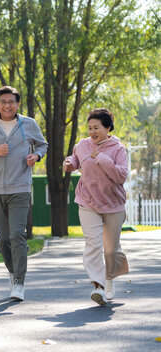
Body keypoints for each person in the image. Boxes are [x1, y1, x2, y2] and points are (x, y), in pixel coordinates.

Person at [0, 86, 48, 302]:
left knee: (17, 234)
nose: (7, 105)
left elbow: (42, 145)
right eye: (3, 101)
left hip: (20, 187)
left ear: (17, 104)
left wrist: (36, 157)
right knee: (3, 239)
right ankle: (13, 273)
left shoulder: (28, 124)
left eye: (11, 101)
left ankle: (20, 283)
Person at [63, 108, 128, 306]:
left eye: (96, 127)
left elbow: (120, 176)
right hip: (88, 201)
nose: (92, 131)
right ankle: (98, 285)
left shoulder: (118, 149)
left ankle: (109, 280)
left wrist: (101, 158)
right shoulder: (82, 145)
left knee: (110, 250)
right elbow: (76, 159)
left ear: (107, 128)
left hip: (113, 204)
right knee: (92, 243)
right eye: (90, 127)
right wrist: (69, 163)